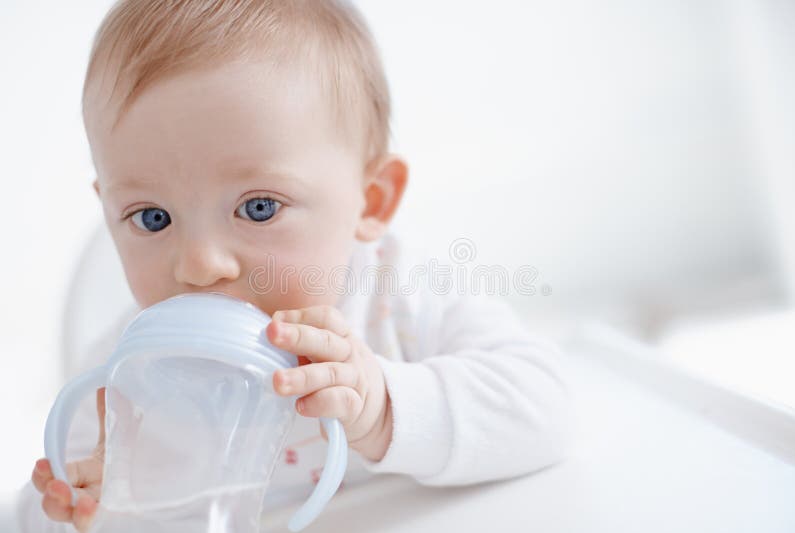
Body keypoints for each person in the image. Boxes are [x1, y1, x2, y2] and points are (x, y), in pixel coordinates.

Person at [19, 1, 574, 531]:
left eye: (258, 207)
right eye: (152, 217)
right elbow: (31, 510)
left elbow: (546, 408)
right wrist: (96, 501)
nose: (199, 266)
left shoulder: (399, 301)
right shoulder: (134, 372)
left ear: (372, 199)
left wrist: (384, 408)